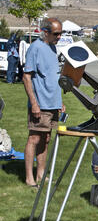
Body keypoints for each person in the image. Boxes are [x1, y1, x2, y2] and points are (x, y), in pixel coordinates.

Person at [23, 18, 65, 188]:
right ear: (45, 32)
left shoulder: (52, 48)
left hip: (52, 103)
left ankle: (41, 174)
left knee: (46, 138)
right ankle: (29, 178)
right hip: (40, 103)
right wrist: (34, 103)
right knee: (34, 137)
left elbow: (53, 77)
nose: (59, 37)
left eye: (61, 33)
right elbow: (27, 77)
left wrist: (59, 102)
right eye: (56, 33)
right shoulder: (36, 48)